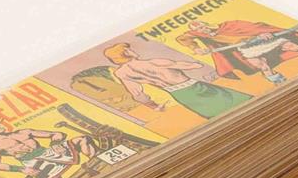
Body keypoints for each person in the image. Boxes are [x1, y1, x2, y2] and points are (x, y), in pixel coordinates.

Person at [103, 42, 250, 120]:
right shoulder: (153, 62)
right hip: (194, 87)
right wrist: (195, 64)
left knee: (213, 114)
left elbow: (137, 93)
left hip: (179, 94)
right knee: (239, 103)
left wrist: (153, 105)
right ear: (125, 53)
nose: (132, 50)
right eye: (128, 49)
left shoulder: (122, 73)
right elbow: (182, 65)